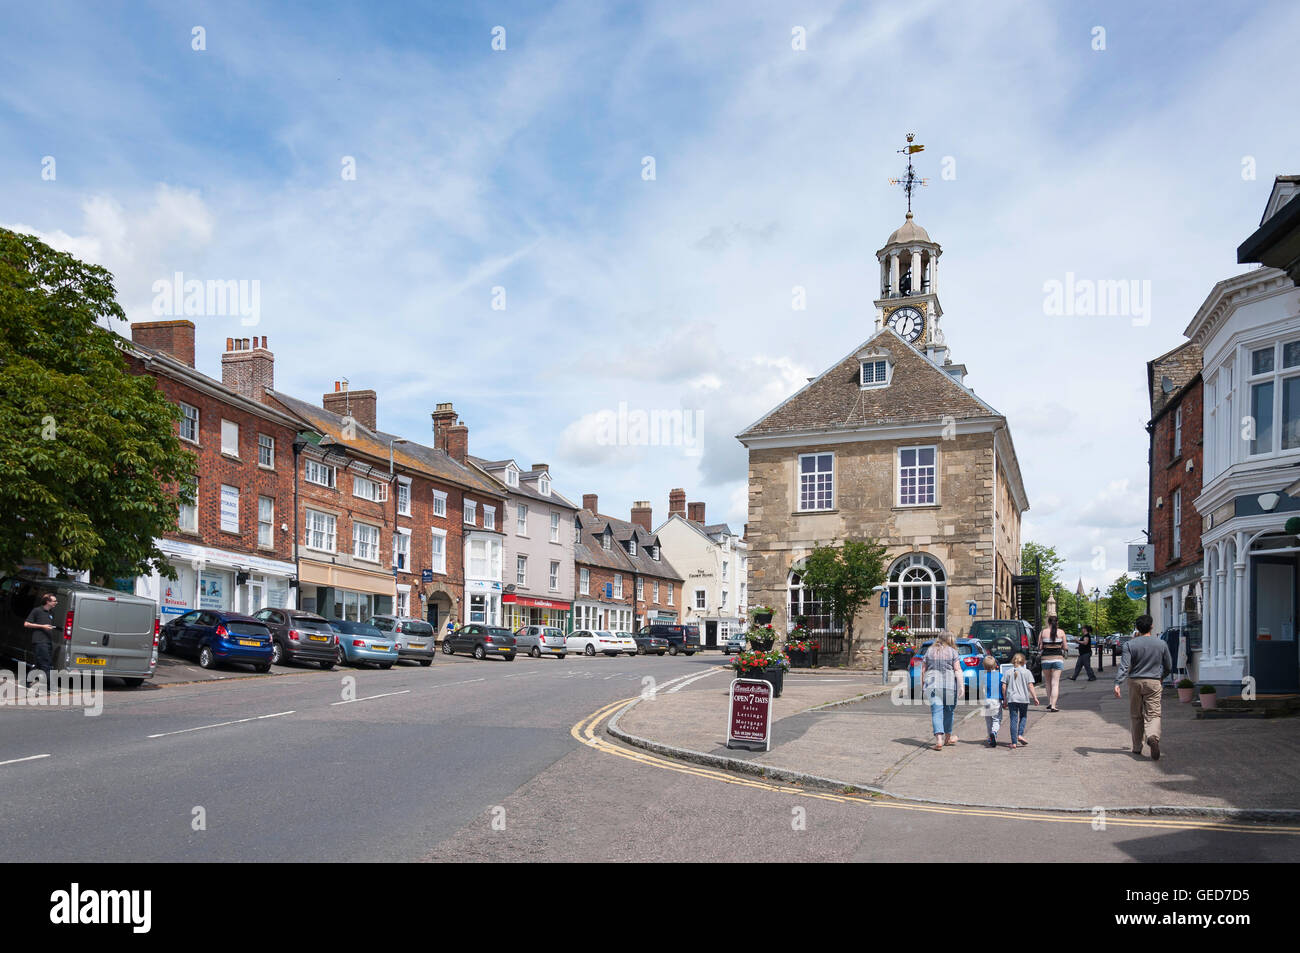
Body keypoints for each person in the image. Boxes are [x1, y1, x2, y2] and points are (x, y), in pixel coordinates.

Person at [1114, 615, 1172, 760]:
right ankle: (1152, 736)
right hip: (1154, 681)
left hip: (1135, 681)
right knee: (1153, 713)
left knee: (1136, 714)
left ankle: (1137, 747)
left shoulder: (1129, 645)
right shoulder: (1161, 644)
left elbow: (1125, 666)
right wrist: (1162, 676)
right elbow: (1169, 666)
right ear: (1151, 626)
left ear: (1137, 628)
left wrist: (1117, 682)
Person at [921, 632, 963, 750]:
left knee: (936, 712)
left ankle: (939, 740)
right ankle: (947, 738)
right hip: (949, 686)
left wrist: (923, 685)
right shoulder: (953, 652)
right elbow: (958, 670)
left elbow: (923, 670)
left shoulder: (929, 651)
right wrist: (961, 686)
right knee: (949, 712)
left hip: (933, 685)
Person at [1002, 652, 1040, 749]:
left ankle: (1014, 742)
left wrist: (1005, 699)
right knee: (1023, 717)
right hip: (1023, 699)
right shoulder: (1027, 672)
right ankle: (1020, 734)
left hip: (1012, 699)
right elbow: (1030, 685)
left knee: (1013, 720)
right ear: (1023, 662)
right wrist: (1035, 697)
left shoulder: (1008, 672)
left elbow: (1003, 686)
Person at [24, 592, 58, 691]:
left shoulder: (51, 613)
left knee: (39, 663)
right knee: (46, 664)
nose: (56, 602)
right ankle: (50, 686)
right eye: (54, 601)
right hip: (39, 641)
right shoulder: (37, 611)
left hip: (48, 641)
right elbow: (26, 624)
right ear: (48, 602)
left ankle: (27, 680)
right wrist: (42, 626)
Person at [1037, 615, 1067, 711]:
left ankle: (1050, 702)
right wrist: (1059, 645)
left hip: (1045, 659)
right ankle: (1053, 705)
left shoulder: (1043, 632)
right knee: (1055, 683)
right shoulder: (1061, 632)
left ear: (1048, 622)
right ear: (1057, 622)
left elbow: (1040, 647)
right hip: (1058, 659)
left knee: (1047, 682)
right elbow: (1065, 647)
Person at [980, 655, 1003, 748]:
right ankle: (994, 732)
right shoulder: (1000, 676)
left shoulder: (983, 677)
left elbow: (982, 690)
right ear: (995, 665)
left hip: (986, 701)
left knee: (988, 721)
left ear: (984, 666)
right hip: (996, 701)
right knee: (996, 720)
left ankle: (990, 737)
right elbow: (1003, 688)